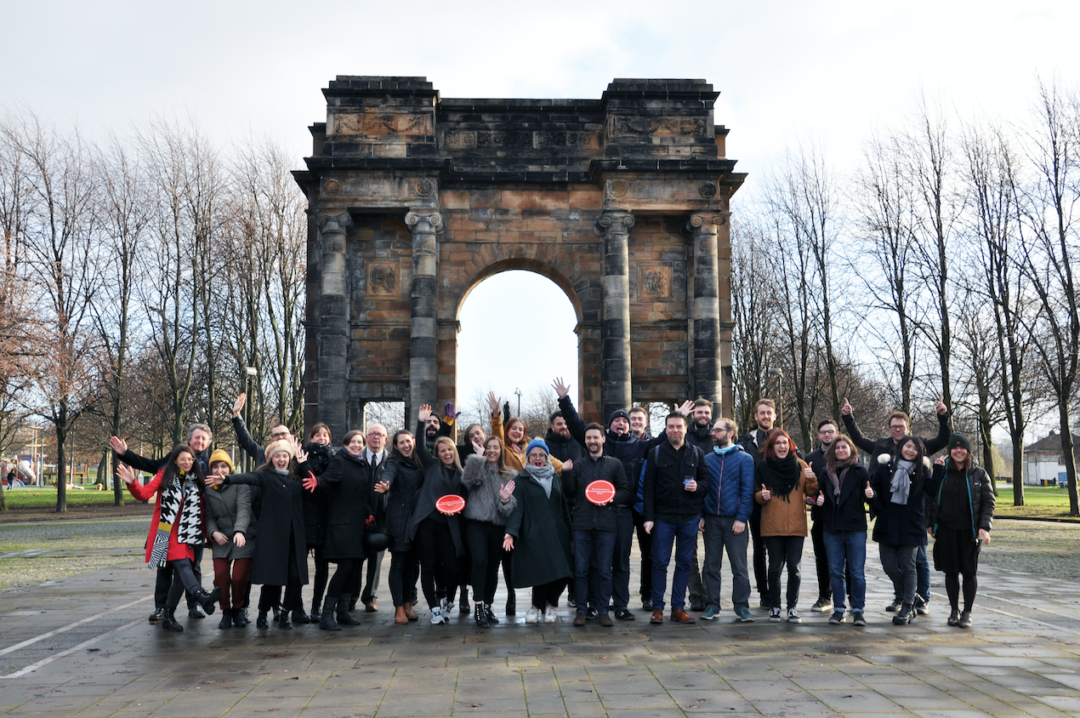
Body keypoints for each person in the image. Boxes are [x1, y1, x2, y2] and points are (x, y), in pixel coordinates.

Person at [553, 379, 689, 613]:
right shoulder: (599, 443)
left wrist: (677, 415)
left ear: (629, 427)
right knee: (597, 561)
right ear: (608, 428)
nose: (621, 424)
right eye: (616, 420)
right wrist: (564, 400)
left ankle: (622, 603)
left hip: (626, 508)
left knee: (622, 560)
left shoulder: (641, 446)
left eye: (624, 421)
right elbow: (576, 426)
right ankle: (596, 603)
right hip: (598, 511)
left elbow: (666, 438)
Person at [841, 395, 951, 615]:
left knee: (916, 560)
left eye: (901, 427)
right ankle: (904, 596)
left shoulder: (918, 447)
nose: (898, 430)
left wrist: (943, 416)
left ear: (908, 427)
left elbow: (942, 439)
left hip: (913, 515)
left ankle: (921, 598)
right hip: (888, 513)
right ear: (890, 428)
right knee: (893, 563)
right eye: (894, 427)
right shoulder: (882, 447)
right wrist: (848, 418)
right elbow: (860, 440)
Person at [110, 425, 213, 622]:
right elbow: (148, 468)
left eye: (204, 439)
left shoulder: (206, 467)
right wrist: (126, 456)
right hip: (166, 528)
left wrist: (210, 531)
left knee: (193, 566)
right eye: (197, 438)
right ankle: (162, 607)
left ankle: (194, 605)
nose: (200, 442)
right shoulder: (168, 467)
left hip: (191, 528)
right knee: (164, 568)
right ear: (189, 441)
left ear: (208, 443)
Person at [210, 439, 310, 630]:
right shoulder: (265, 476)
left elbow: (312, 482)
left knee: (295, 579)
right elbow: (247, 478)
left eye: (285, 455)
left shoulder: (296, 477)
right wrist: (227, 479)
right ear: (271, 458)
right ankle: (263, 612)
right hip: (273, 537)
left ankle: (285, 613)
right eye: (277, 456)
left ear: (290, 458)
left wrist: (305, 463)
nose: (281, 459)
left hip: (294, 538)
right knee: (273, 580)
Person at [643, 412, 710, 625]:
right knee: (660, 562)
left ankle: (678, 608)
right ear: (666, 429)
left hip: (689, 517)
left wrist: (698, 486)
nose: (675, 430)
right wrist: (649, 517)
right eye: (671, 427)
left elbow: (706, 481)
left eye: (678, 426)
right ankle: (657, 608)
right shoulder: (655, 453)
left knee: (684, 564)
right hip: (663, 517)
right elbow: (649, 488)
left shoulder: (697, 453)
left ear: (685, 428)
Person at [563, 423, 628, 627]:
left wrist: (610, 498)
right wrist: (566, 473)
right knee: (581, 570)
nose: (592, 441)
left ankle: (603, 610)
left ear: (603, 439)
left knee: (604, 570)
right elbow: (569, 492)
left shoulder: (615, 464)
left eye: (595, 437)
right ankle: (582, 610)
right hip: (581, 524)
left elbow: (625, 491)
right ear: (586, 441)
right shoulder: (578, 466)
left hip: (606, 525)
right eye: (589, 438)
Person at [503, 439, 574, 624]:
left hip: (559, 534)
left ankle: (551, 605)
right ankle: (536, 607)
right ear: (528, 458)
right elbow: (517, 509)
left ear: (547, 457)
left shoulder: (555, 477)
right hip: (536, 534)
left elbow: (563, 507)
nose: (538, 458)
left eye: (542, 455)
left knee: (564, 573)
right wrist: (511, 532)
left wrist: (572, 534)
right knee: (542, 573)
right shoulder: (521, 480)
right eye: (533, 455)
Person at [408, 405, 466, 624]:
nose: (447, 453)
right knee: (429, 566)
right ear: (438, 454)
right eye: (442, 451)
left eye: (449, 450)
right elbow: (421, 447)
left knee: (452, 567)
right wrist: (421, 422)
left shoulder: (461, 473)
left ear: (454, 451)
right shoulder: (431, 465)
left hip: (450, 527)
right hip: (428, 524)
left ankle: (448, 602)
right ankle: (433, 608)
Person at [869, 436, 937, 625]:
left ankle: (907, 606)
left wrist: (937, 469)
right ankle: (914, 596)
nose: (910, 450)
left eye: (915, 448)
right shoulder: (885, 467)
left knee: (908, 566)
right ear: (901, 447)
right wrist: (875, 501)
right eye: (908, 446)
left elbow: (932, 491)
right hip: (887, 524)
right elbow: (874, 491)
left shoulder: (922, 470)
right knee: (889, 566)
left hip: (911, 526)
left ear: (920, 453)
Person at [929, 433, 994, 628]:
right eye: (954, 448)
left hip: (969, 531)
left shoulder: (979, 474)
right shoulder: (942, 473)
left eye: (962, 448)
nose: (958, 451)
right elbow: (931, 498)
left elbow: (988, 502)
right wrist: (931, 523)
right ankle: (954, 611)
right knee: (950, 572)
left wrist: (984, 526)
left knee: (968, 572)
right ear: (950, 451)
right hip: (946, 530)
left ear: (968, 451)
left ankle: (967, 612)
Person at [314, 430, 374, 631]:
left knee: (355, 568)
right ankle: (326, 614)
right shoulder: (339, 461)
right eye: (353, 442)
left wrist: (369, 513)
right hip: (341, 525)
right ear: (345, 444)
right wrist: (317, 481)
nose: (357, 445)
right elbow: (328, 478)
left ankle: (342, 612)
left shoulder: (361, 464)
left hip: (357, 525)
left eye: (360, 442)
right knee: (345, 568)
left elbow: (361, 494)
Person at [755, 430, 817, 623]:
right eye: (777, 443)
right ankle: (775, 606)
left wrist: (812, 477)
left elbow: (811, 492)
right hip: (772, 524)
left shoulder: (801, 465)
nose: (782, 446)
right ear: (771, 446)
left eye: (785, 443)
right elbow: (756, 493)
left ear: (790, 445)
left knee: (794, 568)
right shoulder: (764, 467)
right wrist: (761, 497)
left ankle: (792, 607)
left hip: (796, 526)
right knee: (774, 568)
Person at [814, 434, 873, 626]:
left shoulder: (860, 471)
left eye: (844, 447)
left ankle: (858, 610)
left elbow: (870, 499)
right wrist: (818, 502)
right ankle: (838, 609)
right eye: (837, 448)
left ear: (851, 450)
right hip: (832, 530)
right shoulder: (825, 473)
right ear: (833, 451)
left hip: (855, 528)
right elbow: (819, 498)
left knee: (856, 572)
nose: (840, 450)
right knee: (836, 572)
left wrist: (871, 496)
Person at [700, 418, 755, 622]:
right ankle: (712, 605)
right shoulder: (707, 459)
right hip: (712, 520)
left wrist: (742, 518)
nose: (713, 433)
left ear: (730, 432)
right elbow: (703, 491)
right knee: (711, 565)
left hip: (735, 521)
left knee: (739, 567)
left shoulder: (744, 459)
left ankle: (742, 607)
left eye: (717, 430)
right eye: (713, 430)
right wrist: (702, 516)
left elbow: (747, 491)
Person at [461, 436, 517, 627]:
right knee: (480, 562)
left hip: (498, 527)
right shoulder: (478, 466)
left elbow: (509, 510)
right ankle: (478, 605)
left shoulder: (510, 474)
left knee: (493, 567)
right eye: (489, 447)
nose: (492, 450)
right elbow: (469, 481)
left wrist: (504, 500)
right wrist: (478, 456)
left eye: (496, 447)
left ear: (501, 451)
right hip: (476, 524)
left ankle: (487, 605)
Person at [203, 450, 256, 629]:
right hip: (221, 538)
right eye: (216, 466)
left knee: (239, 576)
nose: (220, 470)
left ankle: (239, 608)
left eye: (224, 466)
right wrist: (213, 533)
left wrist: (240, 531)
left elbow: (244, 509)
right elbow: (208, 516)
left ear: (230, 468)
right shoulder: (208, 488)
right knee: (221, 575)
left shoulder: (240, 484)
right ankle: (225, 610)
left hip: (243, 536)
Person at [737, 399, 779, 609]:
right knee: (759, 549)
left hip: (778, 504)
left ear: (774, 416)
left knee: (777, 550)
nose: (765, 416)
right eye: (762, 413)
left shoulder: (783, 439)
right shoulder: (745, 441)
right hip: (754, 501)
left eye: (769, 413)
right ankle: (764, 593)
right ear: (756, 416)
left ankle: (776, 590)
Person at [380, 429, 424, 625]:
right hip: (399, 520)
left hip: (417, 520)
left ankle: (408, 604)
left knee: (413, 566)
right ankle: (399, 608)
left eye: (408, 441)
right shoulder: (394, 462)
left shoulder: (419, 460)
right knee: (399, 564)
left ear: (413, 441)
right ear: (396, 446)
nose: (406, 445)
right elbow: (388, 474)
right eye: (401, 443)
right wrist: (384, 485)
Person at [346, 423, 388, 615]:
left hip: (382, 517)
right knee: (355, 559)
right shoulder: (356, 458)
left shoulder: (391, 461)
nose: (375, 438)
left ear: (386, 439)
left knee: (376, 560)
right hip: (358, 516)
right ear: (366, 438)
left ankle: (370, 597)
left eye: (379, 435)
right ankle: (351, 597)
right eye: (372, 434)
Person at [804, 420, 840, 613]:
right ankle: (825, 596)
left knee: (846, 561)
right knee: (822, 559)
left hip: (842, 518)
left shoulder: (846, 455)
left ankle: (848, 596)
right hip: (820, 517)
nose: (827, 435)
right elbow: (805, 488)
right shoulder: (810, 458)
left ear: (837, 433)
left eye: (830, 432)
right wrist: (808, 499)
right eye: (823, 432)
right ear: (818, 435)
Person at [682, 398, 714, 612]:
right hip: (688, 503)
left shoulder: (718, 435)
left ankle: (708, 594)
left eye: (706, 412)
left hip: (712, 503)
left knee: (712, 555)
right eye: (699, 412)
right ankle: (695, 595)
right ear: (693, 415)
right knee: (689, 554)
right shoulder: (684, 435)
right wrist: (680, 416)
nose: (703, 415)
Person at [302, 424, 333, 623]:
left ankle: (316, 606)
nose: (321, 438)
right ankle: (295, 606)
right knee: (298, 565)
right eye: (317, 435)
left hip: (325, 517)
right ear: (311, 437)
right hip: (305, 516)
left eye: (325, 435)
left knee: (322, 566)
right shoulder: (301, 457)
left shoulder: (334, 458)